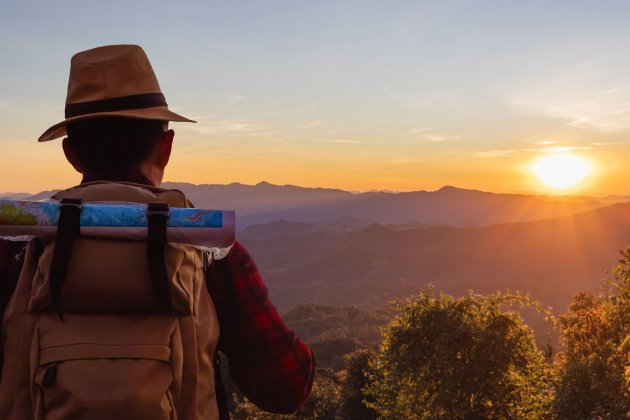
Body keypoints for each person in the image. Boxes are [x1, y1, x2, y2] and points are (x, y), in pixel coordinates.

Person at [0, 45, 315, 419]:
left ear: (71, 154)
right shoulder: (207, 249)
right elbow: (285, 388)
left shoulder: (15, 249)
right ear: (165, 147)